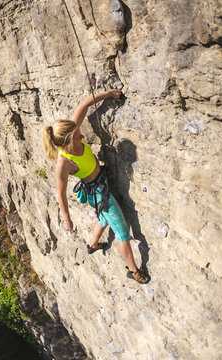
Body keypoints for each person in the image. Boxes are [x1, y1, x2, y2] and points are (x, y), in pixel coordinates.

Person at [41, 89, 149, 284]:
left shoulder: (72, 130)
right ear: (65, 143)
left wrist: (109, 94)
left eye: (78, 132)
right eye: (76, 137)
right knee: (122, 232)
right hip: (98, 194)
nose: (81, 136)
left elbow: (84, 104)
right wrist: (67, 219)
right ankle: (133, 271)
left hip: (102, 183)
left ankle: (92, 244)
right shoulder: (63, 163)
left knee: (104, 218)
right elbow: (61, 193)